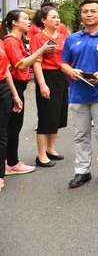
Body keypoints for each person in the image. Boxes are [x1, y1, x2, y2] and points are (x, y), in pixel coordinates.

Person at [61, 0, 98, 188]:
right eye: (85, 11)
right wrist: (70, 72)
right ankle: (82, 171)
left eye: (93, 11)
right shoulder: (72, 39)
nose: (89, 14)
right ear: (81, 15)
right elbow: (63, 62)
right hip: (78, 94)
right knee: (81, 134)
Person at [2, 10, 55, 175]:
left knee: (12, 126)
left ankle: (9, 161)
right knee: (12, 127)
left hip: (18, 86)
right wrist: (41, 51)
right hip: (14, 87)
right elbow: (21, 65)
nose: (28, 21)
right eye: (25, 19)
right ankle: (12, 162)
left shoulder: (18, 40)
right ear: (14, 23)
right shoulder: (10, 41)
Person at [30, 6, 68, 167]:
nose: (57, 20)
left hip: (61, 77)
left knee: (57, 114)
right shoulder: (38, 38)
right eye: (53, 17)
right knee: (46, 115)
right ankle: (41, 155)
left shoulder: (61, 37)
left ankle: (51, 148)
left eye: (58, 17)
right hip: (46, 77)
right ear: (44, 20)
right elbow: (36, 64)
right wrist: (42, 84)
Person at [0, 32, 23, 192]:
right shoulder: (8, 41)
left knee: (2, 133)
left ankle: (1, 174)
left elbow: (6, 70)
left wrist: (14, 95)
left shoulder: (1, 42)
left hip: (2, 89)